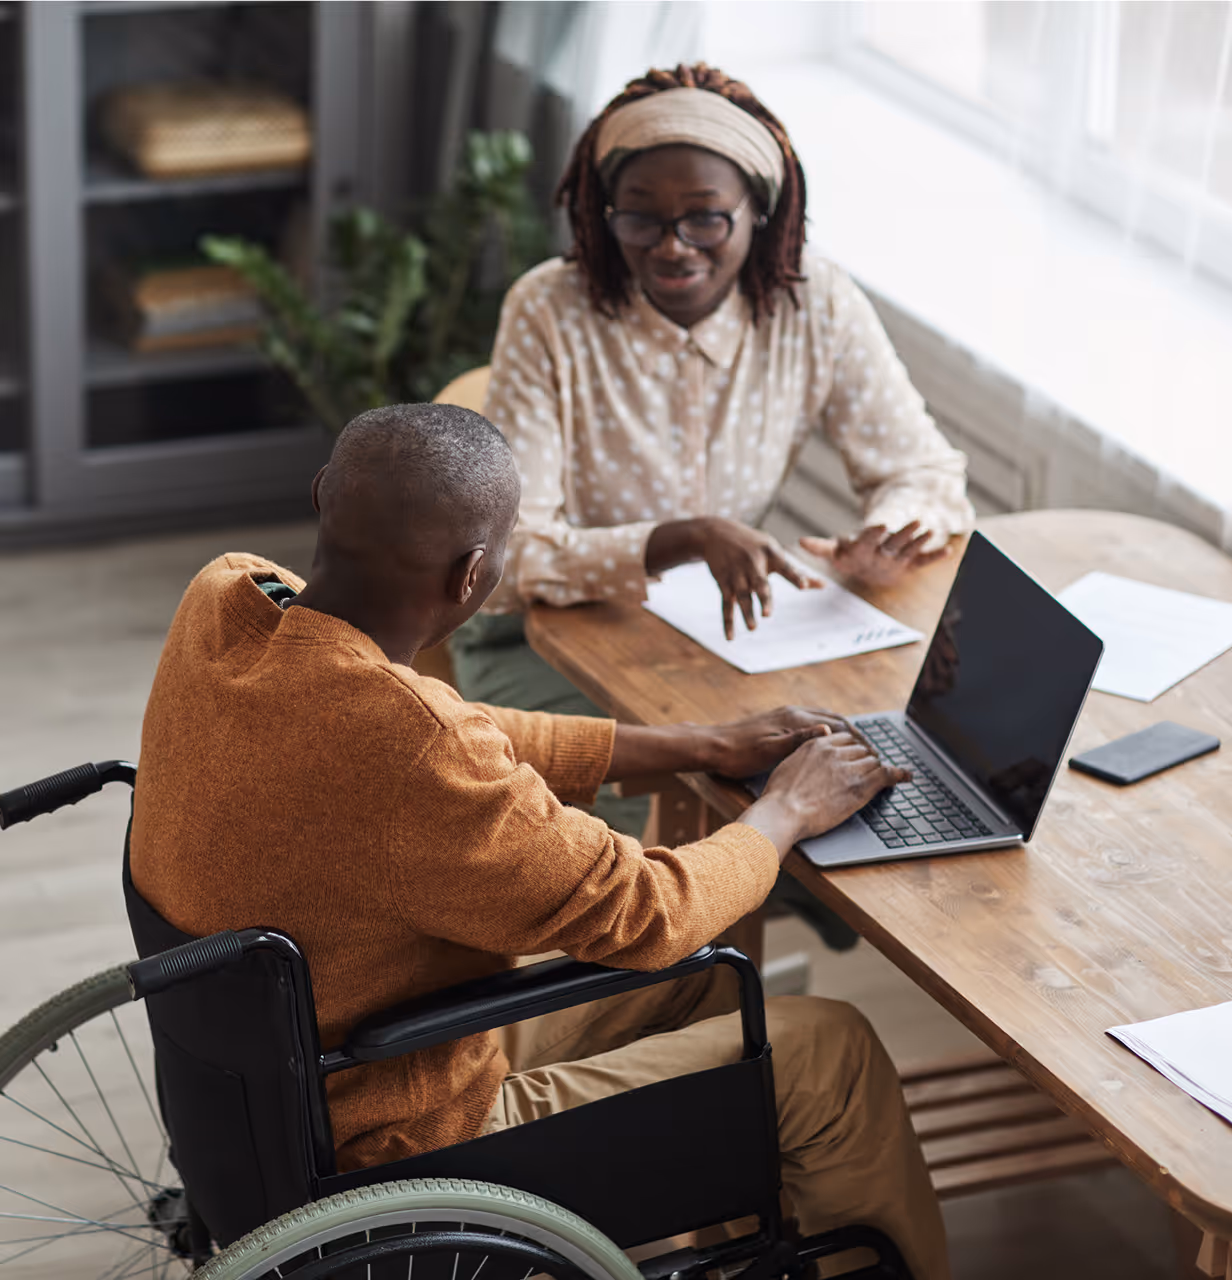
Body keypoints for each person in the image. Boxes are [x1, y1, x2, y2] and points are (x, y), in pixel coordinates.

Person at [131, 403, 950, 1280]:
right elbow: (648, 912)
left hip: (274, 1096)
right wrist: (786, 810)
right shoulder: (407, 747)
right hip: (406, 1137)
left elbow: (447, 724)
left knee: (710, 989)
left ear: (325, 494)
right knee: (830, 1050)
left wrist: (701, 743)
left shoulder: (228, 596)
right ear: (473, 573)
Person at [452, 62, 976, 944]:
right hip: (544, 637)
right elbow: (510, 562)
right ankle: (699, 968)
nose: (672, 245)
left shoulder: (814, 302)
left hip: (731, 633)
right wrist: (678, 538)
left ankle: (747, 943)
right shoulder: (549, 310)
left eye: (706, 217)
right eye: (641, 217)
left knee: (855, 753)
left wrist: (887, 532)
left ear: (761, 213)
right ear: (597, 211)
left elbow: (926, 471)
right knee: (684, 829)